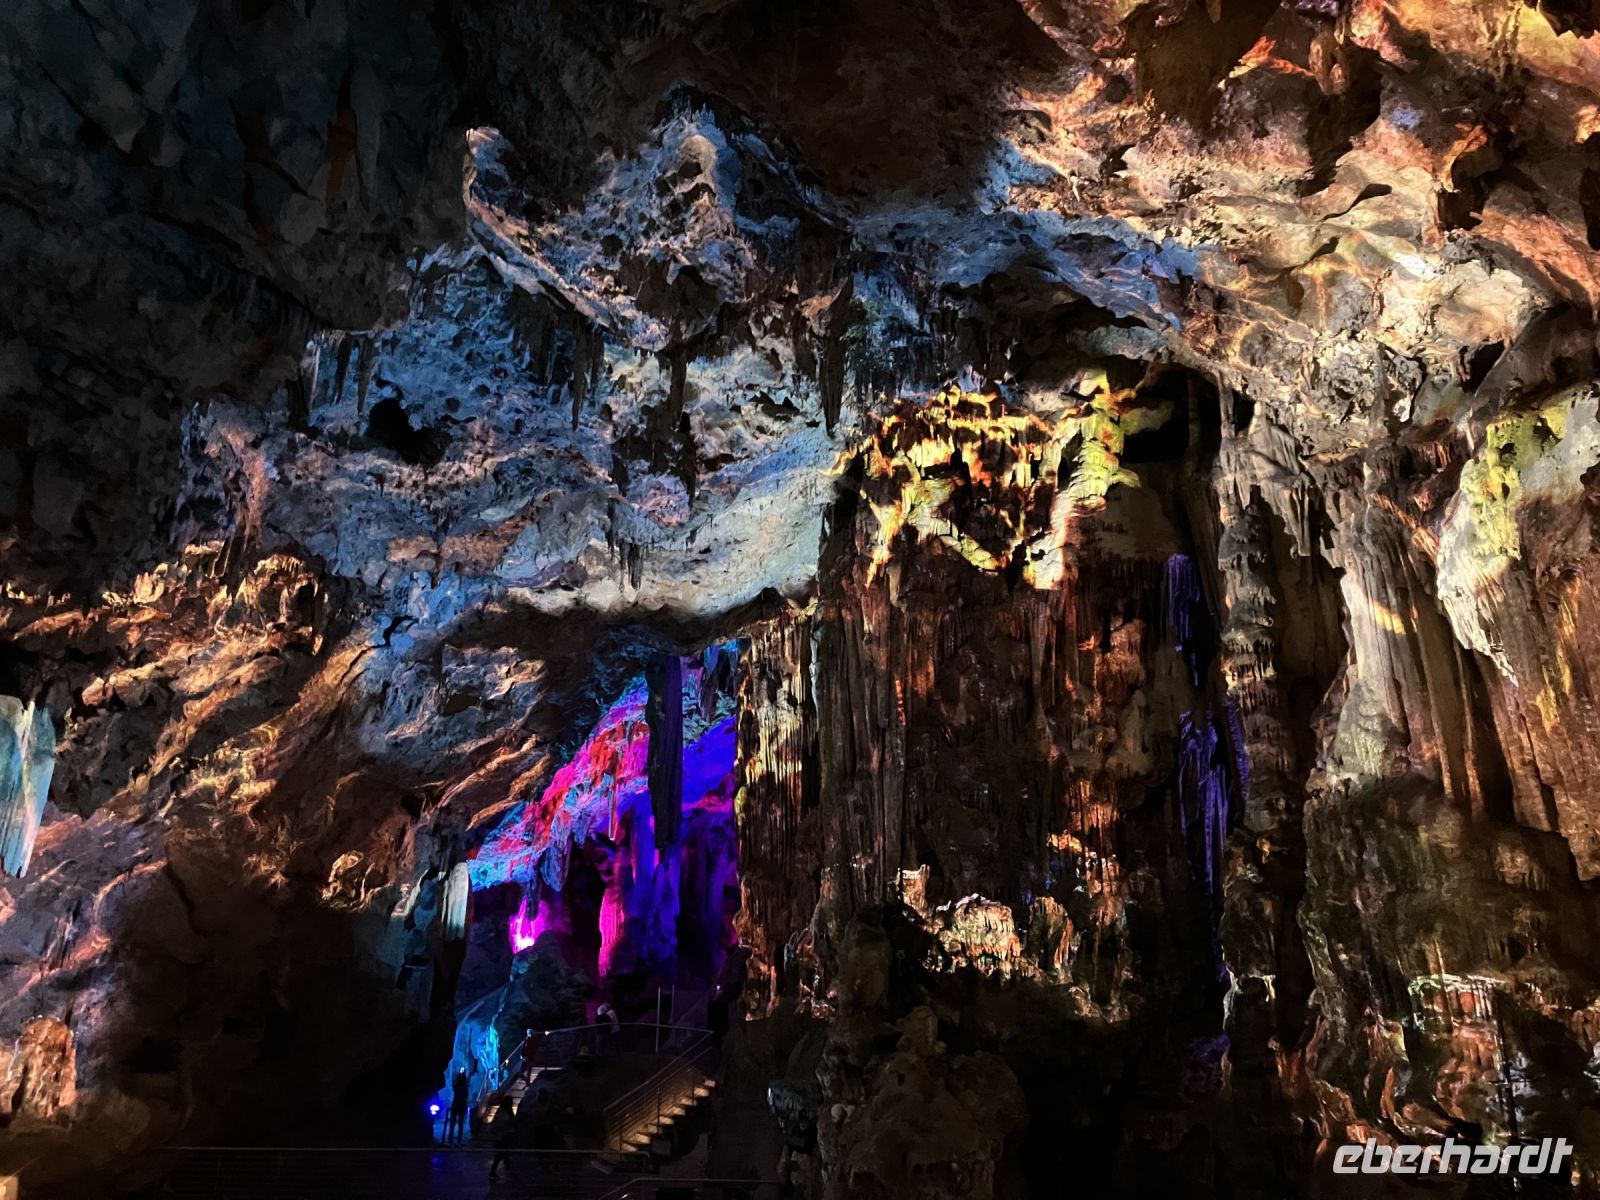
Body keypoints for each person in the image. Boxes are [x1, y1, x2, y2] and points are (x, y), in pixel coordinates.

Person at [488, 1096, 519, 1177]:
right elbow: (500, 1124)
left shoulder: (505, 1112)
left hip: (506, 1136)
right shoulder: (503, 1112)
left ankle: (506, 1170)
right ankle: (498, 1170)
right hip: (503, 1136)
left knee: (504, 1154)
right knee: (501, 1154)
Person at [445, 1066, 472, 1145]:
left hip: (456, 1104)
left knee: (453, 1123)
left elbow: (454, 1085)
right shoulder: (464, 1087)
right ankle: (458, 1141)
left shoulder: (456, 1087)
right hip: (461, 1105)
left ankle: (451, 1140)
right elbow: (465, 1096)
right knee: (460, 1123)